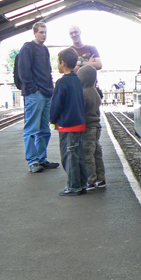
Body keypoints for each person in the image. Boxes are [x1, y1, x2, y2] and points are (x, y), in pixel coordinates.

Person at [17, 21, 59, 173]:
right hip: (35, 94)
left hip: (47, 93)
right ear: (34, 33)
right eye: (41, 32)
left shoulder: (45, 49)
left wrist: (51, 89)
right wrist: (33, 89)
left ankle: (41, 158)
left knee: (44, 129)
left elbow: (48, 71)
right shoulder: (28, 47)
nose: (44, 35)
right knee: (31, 129)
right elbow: (24, 71)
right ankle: (33, 161)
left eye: (45, 32)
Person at [50, 48, 88, 196]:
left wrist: (52, 120)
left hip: (67, 125)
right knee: (78, 156)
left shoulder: (61, 83)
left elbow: (56, 105)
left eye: (58, 63)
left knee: (69, 156)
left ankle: (73, 186)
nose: (58, 66)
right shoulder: (77, 80)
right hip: (79, 123)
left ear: (63, 63)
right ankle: (82, 184)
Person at [77, 65, 106, 190]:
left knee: (87, 154)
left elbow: (80, 111)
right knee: (97, 154)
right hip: (96, 127)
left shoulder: (83, 93)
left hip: (87, 127)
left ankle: (90, 180)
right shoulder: (94, 92)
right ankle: (101, 178)